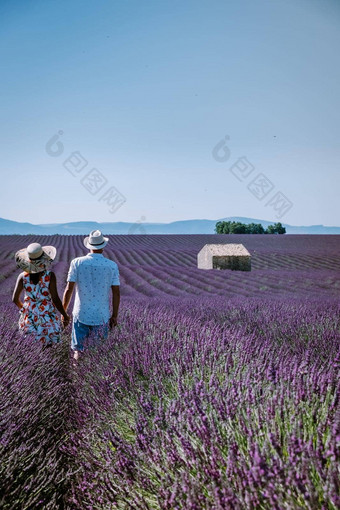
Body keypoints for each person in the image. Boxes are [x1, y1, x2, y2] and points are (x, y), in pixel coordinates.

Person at [62, 230, 120, 362]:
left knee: (78, 351)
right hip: (102, 315)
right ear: (103, 246)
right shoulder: (112, 266)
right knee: (98, 353)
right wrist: (115, 315)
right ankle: (93, 380)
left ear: (88, 245)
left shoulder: (77, 263)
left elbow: (69, 289)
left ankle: (76, 378)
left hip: (81, 313)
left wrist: (64, 312)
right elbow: (116, 292)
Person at [12, 243, 70, 346]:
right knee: (48, 347)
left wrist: (25, 309)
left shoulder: (22, 277)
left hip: (29, 319)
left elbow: (15, 299)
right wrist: (64, 315)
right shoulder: (50, 276)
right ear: (44, 259)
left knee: (30, 348)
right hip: (47, 319)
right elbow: (55, 299)